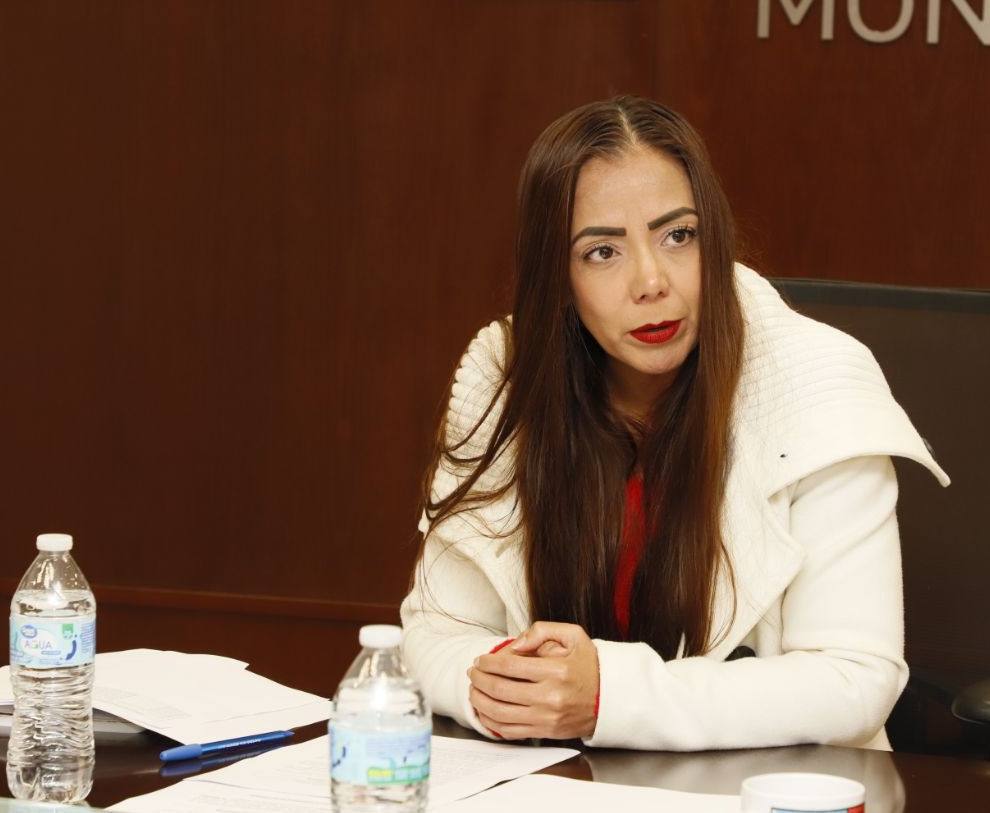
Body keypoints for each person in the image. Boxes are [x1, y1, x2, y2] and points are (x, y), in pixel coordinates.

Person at [400, 95, 949, 752]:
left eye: (677, 236)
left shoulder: (818, 380)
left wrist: (607, 697)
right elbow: (434, 631)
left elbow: (854, 680)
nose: (651, 280)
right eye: (602, 251)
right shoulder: (508, 374)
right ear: (559, 277)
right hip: (564, 783)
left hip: (766, 786)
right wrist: (521, 692)